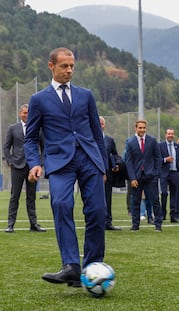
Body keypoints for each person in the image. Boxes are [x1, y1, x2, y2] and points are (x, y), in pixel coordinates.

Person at [24, 47, 107, 287]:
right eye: (64, 66)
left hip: (89, 159)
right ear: (51, 66)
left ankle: (91, 269)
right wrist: (34, 164)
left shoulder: (86, 95)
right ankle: (71, 266)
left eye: (72, 66)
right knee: (61, 204)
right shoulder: (38, 99)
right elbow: (30, 138)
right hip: (60, 162)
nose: (69, 70)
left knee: (97, 212)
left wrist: (102, 165)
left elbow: (96, 132)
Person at [3, 104, 46, 233]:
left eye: (28, 113)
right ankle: (10, 225)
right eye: (24, 113)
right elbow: (6, 147)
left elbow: (44, 147)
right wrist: (10, 162)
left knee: (31, 196)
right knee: (14, 196)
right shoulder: (13, 128)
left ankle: (34, 224)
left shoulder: (37, 128)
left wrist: (40, 163)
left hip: (32, 168)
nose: (26, 115)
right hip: (17, 167)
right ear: (20, 114)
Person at [125, 120, 163, 232]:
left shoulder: (152, 141)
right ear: (135, 128)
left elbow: (158, 157)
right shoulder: (130, 142)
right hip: (137, 177)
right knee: (135, 201)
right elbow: (129, 161)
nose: (142, 130)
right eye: (140, 128)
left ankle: (158, 225)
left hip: (150, 176)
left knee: (155, 200)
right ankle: (135, 225)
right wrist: (132, 178)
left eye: (144, 128)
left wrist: (156, 173)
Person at [99, 116, 122, 231]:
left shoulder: (109, 140)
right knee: (93, 199)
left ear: (104, 126)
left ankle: (108, 222)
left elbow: (115, 155)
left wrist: (116, 164)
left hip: (108, 175)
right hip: (93, 174)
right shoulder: (88, 139)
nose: (100, 125)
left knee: (107, 198)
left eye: (102, 123)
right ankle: (95, 221)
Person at [159, 128, 179, 223]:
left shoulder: (177, 146)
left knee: (174, 195)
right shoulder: (160, 145)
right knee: (164, 193)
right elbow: (157, 159)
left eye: (172, 134)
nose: (170, 135)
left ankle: (173, 216)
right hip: (164, 173)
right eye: (169, 133)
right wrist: (165, 160)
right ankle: (162, 214)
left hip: (174, 173)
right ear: (165, 135)